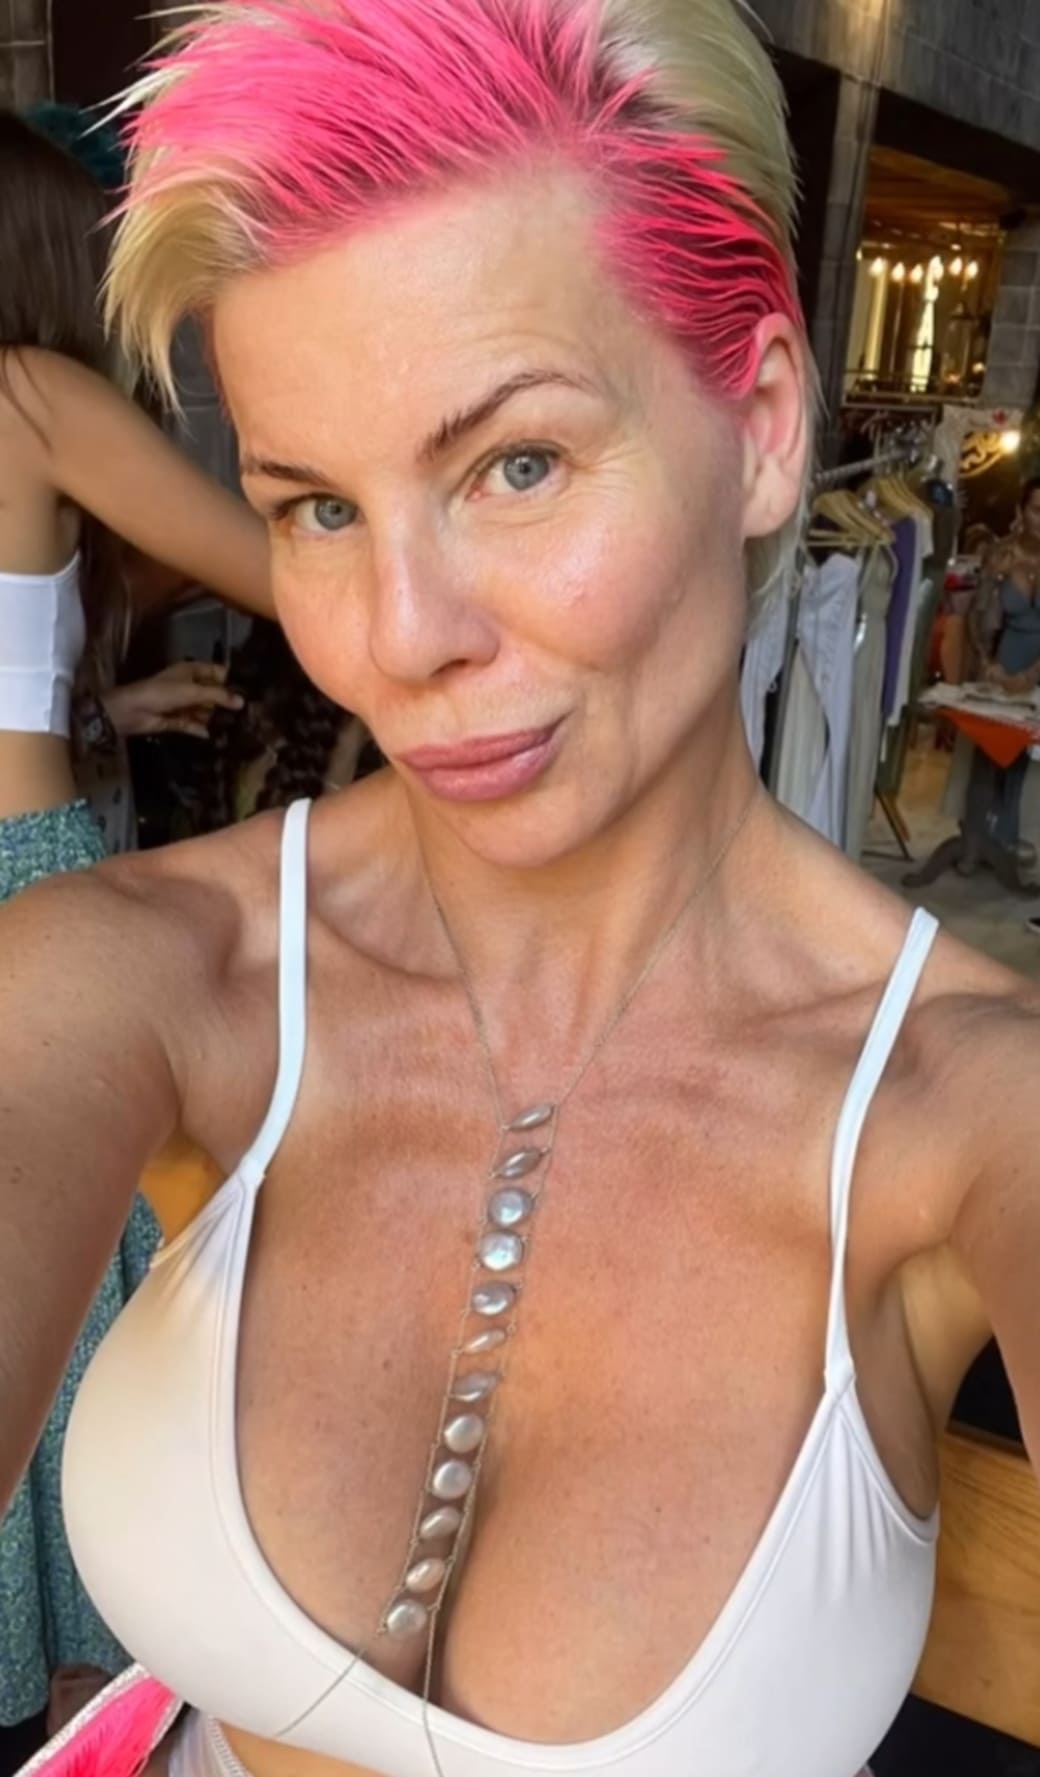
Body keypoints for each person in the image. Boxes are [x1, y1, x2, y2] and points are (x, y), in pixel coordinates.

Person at [2, 6, 1039, 1777]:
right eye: (318, 509)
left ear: (764, 427)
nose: (398, 642)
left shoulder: (969, 1103)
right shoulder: (148, 966)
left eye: (518, 465)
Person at [0, 108, 271, 1742]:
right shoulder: (32, 396)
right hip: (22, 881)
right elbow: (286, 569)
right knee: (75, 1298)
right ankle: (95, 1678)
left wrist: (96, 697)